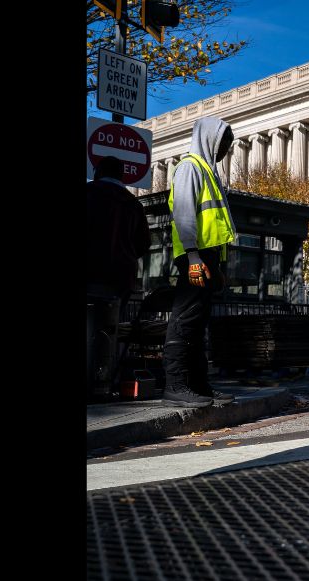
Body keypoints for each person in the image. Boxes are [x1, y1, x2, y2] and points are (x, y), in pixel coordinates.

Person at [162, 116, 237, 408]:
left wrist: (215, 265)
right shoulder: (190, 167)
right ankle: (176, 385)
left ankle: (198, 385)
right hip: (194, 256)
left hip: (205, 257)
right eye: (222, 145)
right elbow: (183, 213)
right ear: (209, 140)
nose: (224, 151)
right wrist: (193, 256)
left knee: (197, 322)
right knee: (185, 320)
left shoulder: (207, 172)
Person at [87, 156, 152, 398]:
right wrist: (126, 253)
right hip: (120, 276)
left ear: (98, 172)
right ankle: (102, 382)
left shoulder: (90, 192)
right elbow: (144, 242)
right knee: (110, 329)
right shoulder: (132, 203)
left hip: (91, 271)